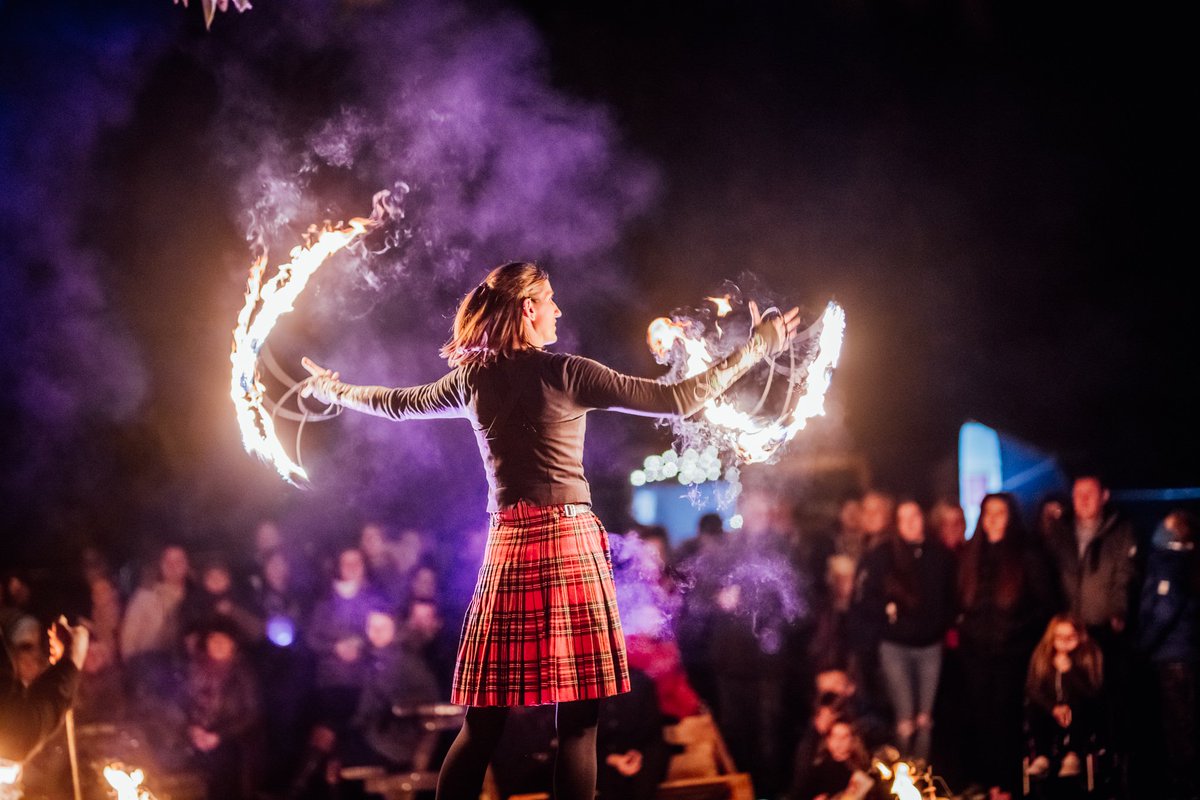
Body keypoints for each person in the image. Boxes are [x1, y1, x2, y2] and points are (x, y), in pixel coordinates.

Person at [302, 260, 800, 800]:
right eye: (550, 300)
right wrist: (758, 346)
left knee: (483, 722)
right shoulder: (566, 372)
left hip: (510, 546)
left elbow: (395, 405)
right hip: (567, 542)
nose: (558, 310)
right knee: (579, 723)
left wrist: (335, 390)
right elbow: (678, 399)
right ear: (528, 308)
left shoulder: (473, 379)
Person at [956, 493, 1058, 796]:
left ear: (1011, 516)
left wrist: (1019, 632)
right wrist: (965, 629)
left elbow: (1045, 603)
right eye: (988, 512)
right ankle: (986, 782)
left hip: (1012, 653)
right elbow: (959, 599)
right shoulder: (971, 554)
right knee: (979, 716)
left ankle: (1006, 783)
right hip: (976, 652)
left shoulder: (1026, 553)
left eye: (999, 512)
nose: (992, 519)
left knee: (1005, 718)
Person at [856, 500, 956, 760]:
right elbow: (865, 597)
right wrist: (887, 612)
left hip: (930, 646)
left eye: (915, 516)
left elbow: (950, 596)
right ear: (896, 524)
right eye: (904, 518)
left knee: (925, 718)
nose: (911, 523)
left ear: (923, 518)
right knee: (905, 716)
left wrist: (940, 623)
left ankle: (920, 773)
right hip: (895, 646)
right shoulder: (883, 556)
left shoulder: (939, 555)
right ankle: (903, 773)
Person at [1137, 510, 1199, 800]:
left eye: (1167, 526)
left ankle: (1185, 787)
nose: (1160, 529)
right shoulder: (1184, 561)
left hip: (1173, 657)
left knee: (1179, 728)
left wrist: (1144, 645)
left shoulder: (1171, 562)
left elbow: (1165, 609)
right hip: (1182, 654)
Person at [1024, 615, 1105, 798]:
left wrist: (1069, 671)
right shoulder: (1042, 655)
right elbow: (1033, 689)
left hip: (1079, 712)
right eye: (1059, 637)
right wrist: (1053, 708)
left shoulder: (1088, 654)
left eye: (1070, 637)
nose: (1064, 642)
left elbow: (1092, 692)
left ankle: (1073, 754)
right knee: (1034, 707)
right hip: (1051, 710)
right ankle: (1042, 755)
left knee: (1080, 706)